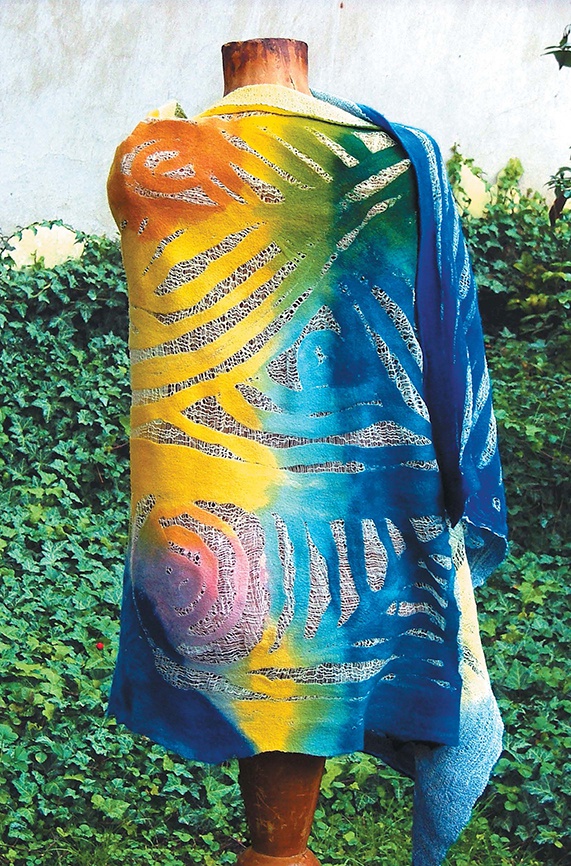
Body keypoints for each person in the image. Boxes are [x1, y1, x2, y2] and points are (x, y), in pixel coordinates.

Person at [106, 38, 507, 866]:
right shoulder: (394, 159)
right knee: (295, 656)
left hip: (230, 503)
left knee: (284, 664)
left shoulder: (149, 159)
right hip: (350, 500)